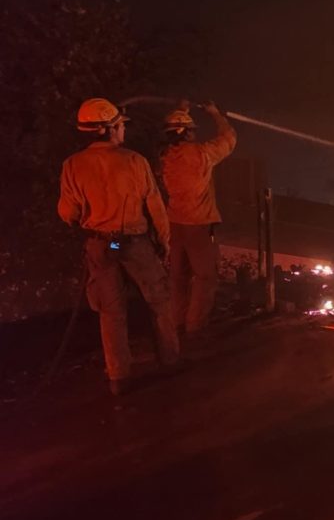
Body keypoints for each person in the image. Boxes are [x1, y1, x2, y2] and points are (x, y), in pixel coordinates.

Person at [58, 98, 180, 395]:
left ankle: (118, 377)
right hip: (134, 242)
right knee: (159, 301)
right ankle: (170, 361)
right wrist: (164, 242)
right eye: (120, 126)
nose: (123, 130)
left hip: (101, 244)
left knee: (111, 311)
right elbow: (156, 207)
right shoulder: (134, 161)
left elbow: (67, 213)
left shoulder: (72, 165)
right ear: (108, 129)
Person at [159, 101, 237, 336]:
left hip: (174, 224)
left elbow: (175, 132)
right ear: (186, 132)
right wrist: (215, 114)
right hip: (199, 226)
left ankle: (176, 324)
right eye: (191, 130)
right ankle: (195, 327)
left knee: (178, 277)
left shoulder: (165, 156)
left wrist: (182, 111)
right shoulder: (201, 154)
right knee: (205, 277)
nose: (194, 134)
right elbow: (229, 139)